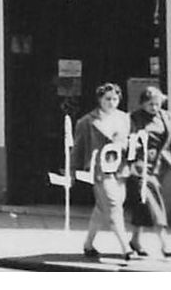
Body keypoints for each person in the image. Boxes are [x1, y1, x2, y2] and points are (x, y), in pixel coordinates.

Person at [72, 82, 133, 262]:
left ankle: (88, 244)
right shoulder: (87, 121)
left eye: (115, 99)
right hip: (100, 170)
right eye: (107, 99)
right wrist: (72, 170)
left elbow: (130, 141)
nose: (112, 102)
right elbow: (78, 147)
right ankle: (125, 247)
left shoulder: (124, 118)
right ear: (99, 99)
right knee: (113, 206)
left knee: (102, 208)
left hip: (120, 169)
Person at [127, 86, 171, 259]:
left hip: (158, 166)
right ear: (142, 104)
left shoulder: (168, 118)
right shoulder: (134, 118)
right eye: (150, 104)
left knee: (143, 202)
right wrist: (130, 162)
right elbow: (130, 141)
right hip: (140, 166)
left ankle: (135, 240)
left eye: (157, 104)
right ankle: (164, 243)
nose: (154, 108)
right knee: (154, 202)